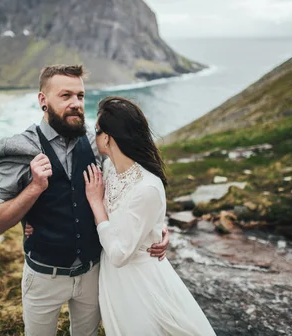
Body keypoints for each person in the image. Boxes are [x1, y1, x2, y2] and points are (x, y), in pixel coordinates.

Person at [0, 65, 169, 336]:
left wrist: (156, 225)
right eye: (65, 96)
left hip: (93, 273)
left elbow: (132, 185)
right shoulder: (18, 149)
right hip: (44, 276)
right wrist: (34, 188)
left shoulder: (96, 143)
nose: (76, 104)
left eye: (80, 96)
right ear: (43, 100)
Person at [83, 96, 217, 336]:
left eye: (96, 130)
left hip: (139, 281)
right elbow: (130, 220)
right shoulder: (109, 167)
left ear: (108, 137)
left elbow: (119, 254)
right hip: (114, 279)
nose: (94, 136)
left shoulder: (147, 186)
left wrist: (95, 202)